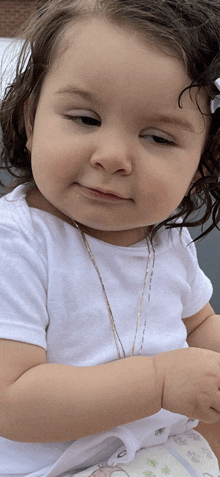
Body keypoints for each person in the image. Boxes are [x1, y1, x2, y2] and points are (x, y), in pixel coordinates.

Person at [1, 0, 220, 475]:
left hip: (154, 448)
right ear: (30, 122)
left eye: (158, 137)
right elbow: (10, 401)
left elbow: (199, 326)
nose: (113, 157)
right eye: (85, 118)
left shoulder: (167, 239)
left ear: (200, 165)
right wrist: (158, 382)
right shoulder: (16, 244)